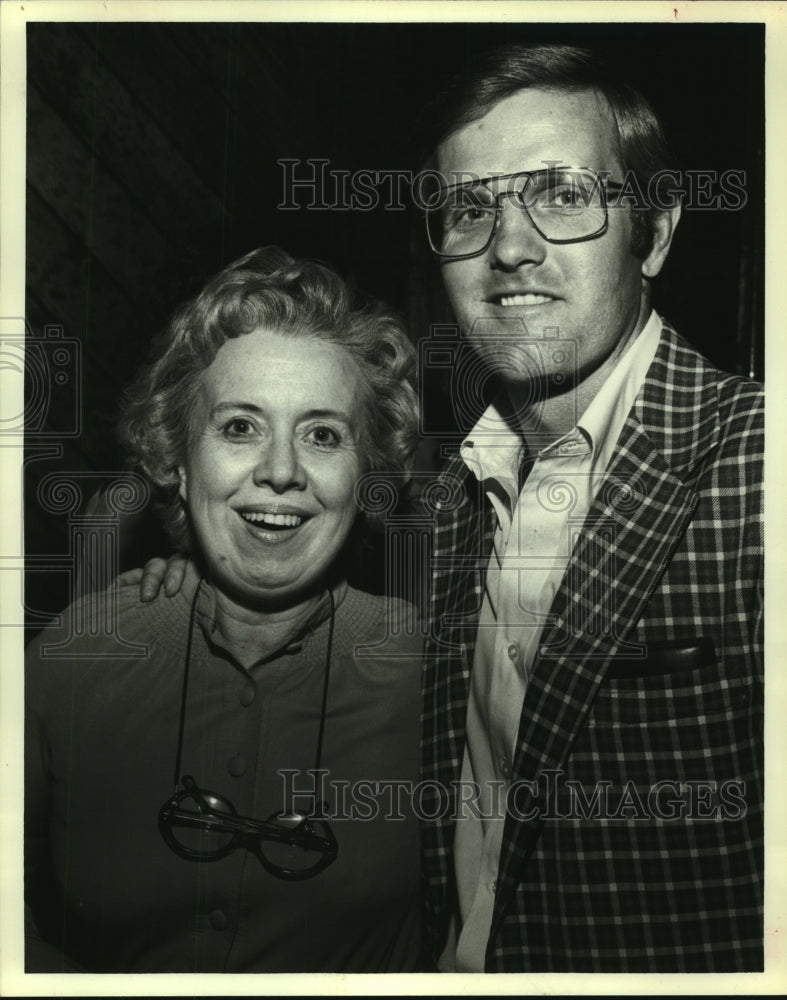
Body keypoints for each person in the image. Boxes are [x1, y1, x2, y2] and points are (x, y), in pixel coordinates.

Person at [134, 44, 764, 974]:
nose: (509, 246)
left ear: (656, 232)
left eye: (561, 194)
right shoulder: (447, 507)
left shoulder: (758, 461)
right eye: (471, 207)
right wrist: (191, 570)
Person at [24, 247, 424, 973]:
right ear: (174, 457)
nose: (279, 471)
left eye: (323, 435)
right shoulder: (71, 659)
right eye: (239, 427)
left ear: (368, 473)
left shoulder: (432, 677)